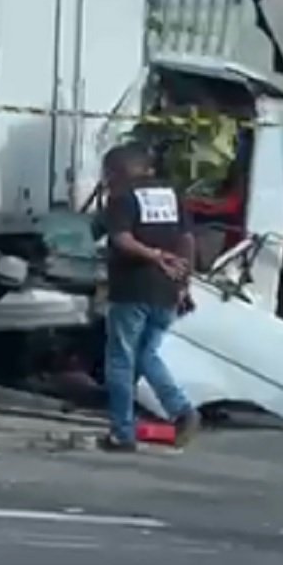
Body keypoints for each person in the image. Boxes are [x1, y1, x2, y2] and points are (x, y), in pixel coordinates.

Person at [98, 142, 202, 452]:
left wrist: (153, 255)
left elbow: (121, 239)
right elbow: (187, 239)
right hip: (168, 290)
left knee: (120, 360)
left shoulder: (121, 198)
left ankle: (122, 432)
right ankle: (182, 411)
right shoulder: (172, 194)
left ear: (116, 171)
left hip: (132, 288)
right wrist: (185, 282)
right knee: (147, 355)